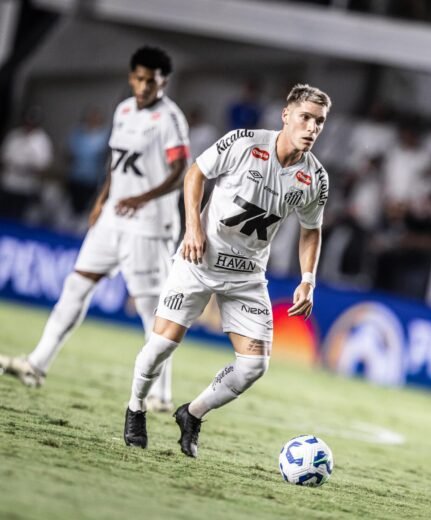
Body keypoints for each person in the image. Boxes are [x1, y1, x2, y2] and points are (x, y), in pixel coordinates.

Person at [122, 83, 331, 458]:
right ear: (286, 116)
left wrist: (308, 280)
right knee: (161, 345)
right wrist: (193, 228)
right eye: (305, 117)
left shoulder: (315, 178)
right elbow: (195, 174)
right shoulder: (244, 143)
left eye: (319, 122)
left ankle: (192, 413)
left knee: (254, 365)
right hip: (198, 260)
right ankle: (136, 407)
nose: (312, 128)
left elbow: (310, 230)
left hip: (247, 276)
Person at [0, 46, 190, 413]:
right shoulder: (124, 110)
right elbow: (116, 163)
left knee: (152, 308)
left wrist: (142, 198)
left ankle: (161, 393)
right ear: (131, 77)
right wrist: (103, 198)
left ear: (164, 82)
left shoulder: (170, 119)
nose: (144, 86)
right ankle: (37, 364)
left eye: (151, 81)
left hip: (149, 226)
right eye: (139, 78)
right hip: (113, 218)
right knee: (77, 284)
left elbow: (180, 170)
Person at [0, 106, 53, 220]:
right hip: (8, 182)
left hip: (26, 186)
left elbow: (43, 166)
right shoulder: (14, 136)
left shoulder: (42, 141)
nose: (29, 125)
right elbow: (4, 157)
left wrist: (27, 168)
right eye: (27, 121)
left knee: (17, 217)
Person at [66, 106, 110, 216]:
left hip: (93, 179)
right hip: (75, 176)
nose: (93, 120)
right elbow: (69, 152)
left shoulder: (104, 136)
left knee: (87, 207)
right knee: (73, 207)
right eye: (91, 117)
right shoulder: (78, 133)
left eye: (96, 118)